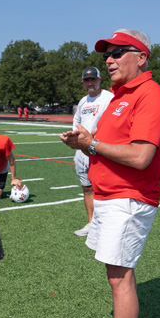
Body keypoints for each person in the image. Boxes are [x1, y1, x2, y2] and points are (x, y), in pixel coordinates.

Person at [59, 29, 160, 318]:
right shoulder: (121, 96)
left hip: (129, 197)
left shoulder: (150, 95)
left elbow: (141, 156)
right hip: (110, 197)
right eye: (107, 53)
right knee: (116, 272)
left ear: (142, 57)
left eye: (119, 52)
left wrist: (93, 143)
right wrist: (86, 145)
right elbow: (109, 145)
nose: (109, 59)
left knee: (120, 277)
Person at [72, 67, 114, 237]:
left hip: (100, 149)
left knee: (103, 188)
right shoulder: (83, 101)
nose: (90, 83)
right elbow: (77, 121)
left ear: (100, 79)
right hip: (82, 152)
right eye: (86, 80)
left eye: (93, 79)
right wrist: (75, 137)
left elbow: (111, 123)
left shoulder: (109, 98)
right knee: (87, 188)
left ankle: (107, 226)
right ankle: (91, 224)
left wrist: (91, 137)